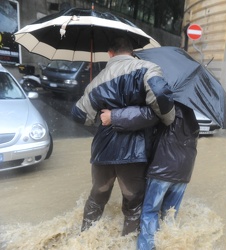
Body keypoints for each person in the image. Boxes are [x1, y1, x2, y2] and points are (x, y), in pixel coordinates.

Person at [71, 37, 175, 236]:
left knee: (98, 195)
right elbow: (161, 98)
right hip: (134, 152)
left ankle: (84, 238)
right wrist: (167, 119)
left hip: (102, 150)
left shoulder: (98, 79)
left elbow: (79, 114)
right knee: (134, 202)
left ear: (110, 54)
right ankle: (126, 242)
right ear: (131, 51)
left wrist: (99, 109)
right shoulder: (148, 68)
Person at [100, 102, 199, 249]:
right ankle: (172, 245)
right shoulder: (191, 114)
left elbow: (141, 117)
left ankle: (146, 247)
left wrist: (113, 116)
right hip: (184, 173)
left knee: (149, 213)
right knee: (170, 216)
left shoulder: (166, 106)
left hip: (162, 169)